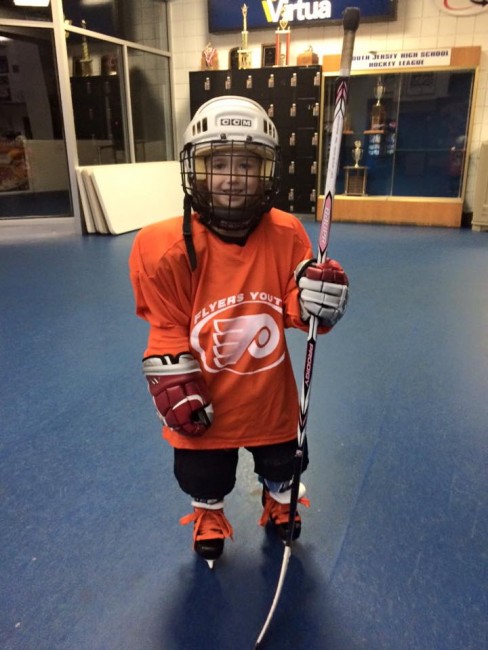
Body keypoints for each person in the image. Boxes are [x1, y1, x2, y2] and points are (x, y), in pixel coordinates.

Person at [129, 96, 349, 567]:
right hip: (208, 394)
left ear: (265, 170)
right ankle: (208, 515)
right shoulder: (162, 246)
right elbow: (166, 323)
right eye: (218, 163)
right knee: (201, 471)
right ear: (196, 169)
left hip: (269, 393)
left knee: (284, 461)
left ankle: (278, 500)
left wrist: (316, 301)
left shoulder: (287, 232)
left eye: (246, 163)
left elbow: (293, 308)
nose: (232, 176)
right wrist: (168, 370)